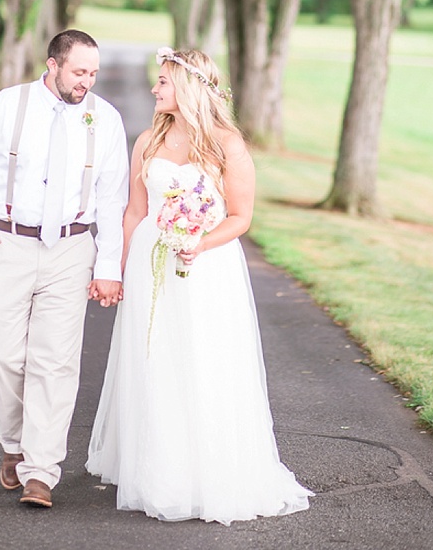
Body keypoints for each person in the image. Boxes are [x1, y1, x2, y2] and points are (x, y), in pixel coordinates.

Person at [86, 47, 313, 525]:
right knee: (155, 359)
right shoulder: (147, 140)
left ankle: (208, 473)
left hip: (206, 269)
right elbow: (134, 210)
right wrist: (126, 266)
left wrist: (199, 243)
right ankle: (158, 471)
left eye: (163, 82)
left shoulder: (226, 145)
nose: (154, 89)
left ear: (187, 88)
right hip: (152, 265)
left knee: (202, 358)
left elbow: (240, 217)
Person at [0, 29, 128, 509]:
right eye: (78, 72)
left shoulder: (105, 120)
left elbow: (112, 199)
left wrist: (109, 265)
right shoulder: (5, 107)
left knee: (55, 362)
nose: (86, 82)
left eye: (92, 73)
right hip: (6, 242)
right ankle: (14, 443)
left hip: (72, 249)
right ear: (52, 65)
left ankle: (40, 471)